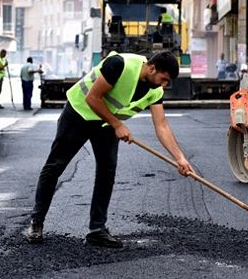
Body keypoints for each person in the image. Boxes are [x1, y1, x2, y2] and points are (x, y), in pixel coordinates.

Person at [25, 50, 192, 248]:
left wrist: (180, 158)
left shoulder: (155, 90)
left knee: (106, 172)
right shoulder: (119, 64)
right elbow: (92, 97)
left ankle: (97, 230)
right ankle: (36, 223)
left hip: (105, 124)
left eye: (168, 82)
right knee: (55, 167)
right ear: (152, 67)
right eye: (163, 79)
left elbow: (162, 125)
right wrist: (117, 124)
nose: (164, 85)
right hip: (79, 114)